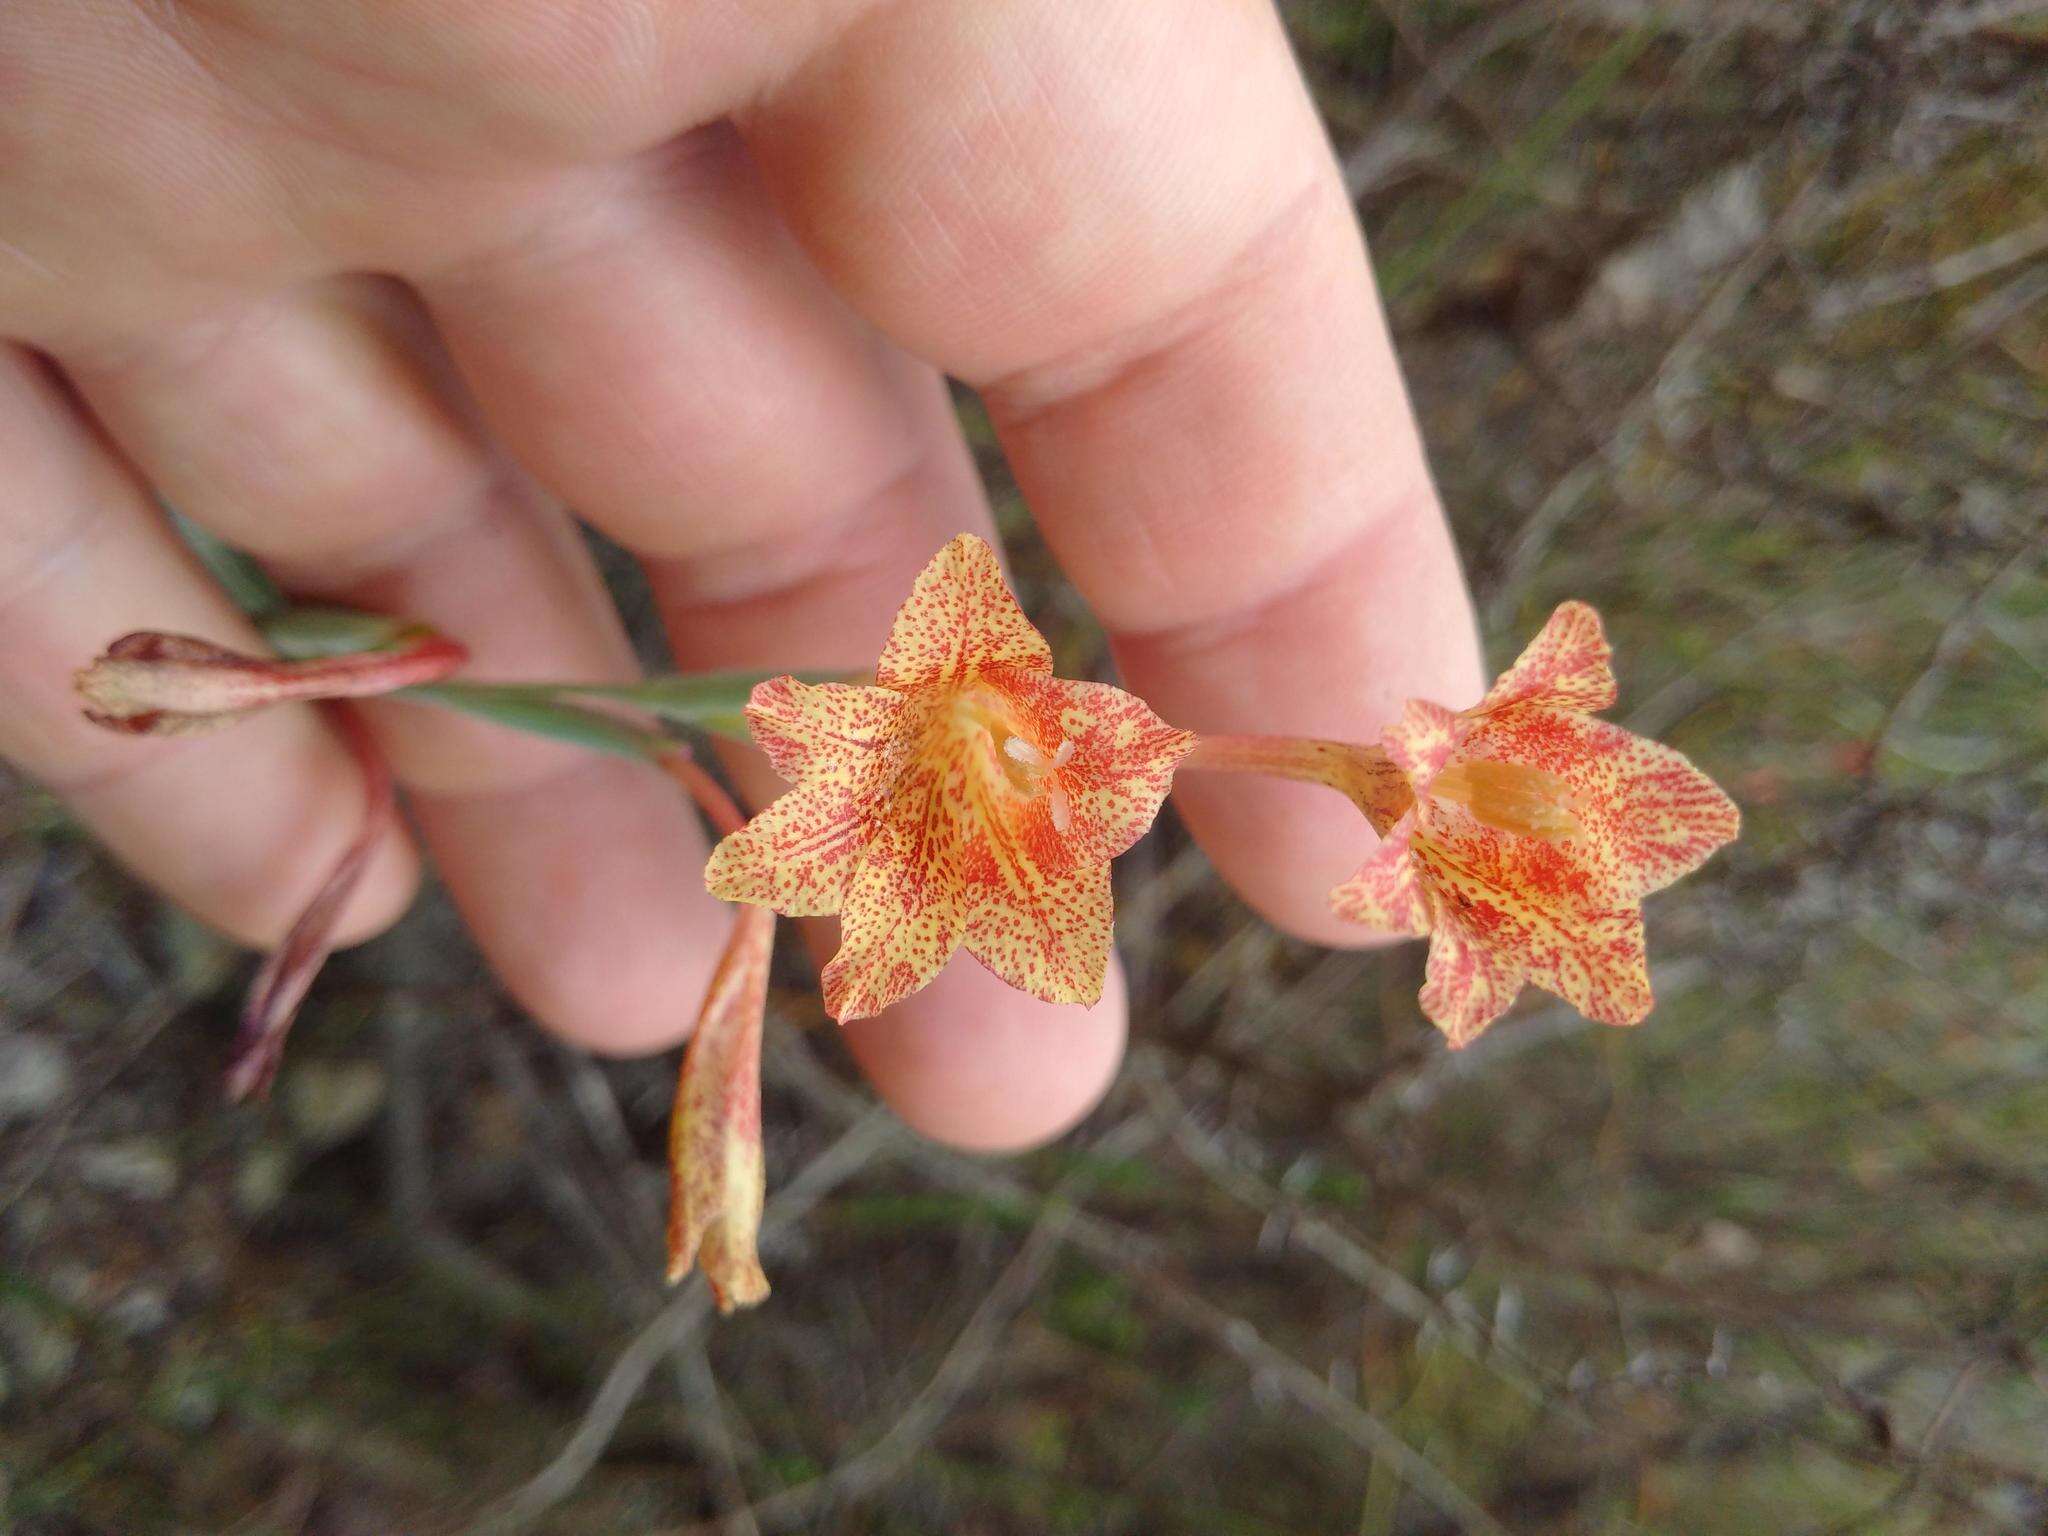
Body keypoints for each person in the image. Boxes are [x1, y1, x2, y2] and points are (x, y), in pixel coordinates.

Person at [0, 0, 1482, 1151]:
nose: (983, 754)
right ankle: (274, 671)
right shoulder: (969, 684)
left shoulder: (969, 757)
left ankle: (276, 671)